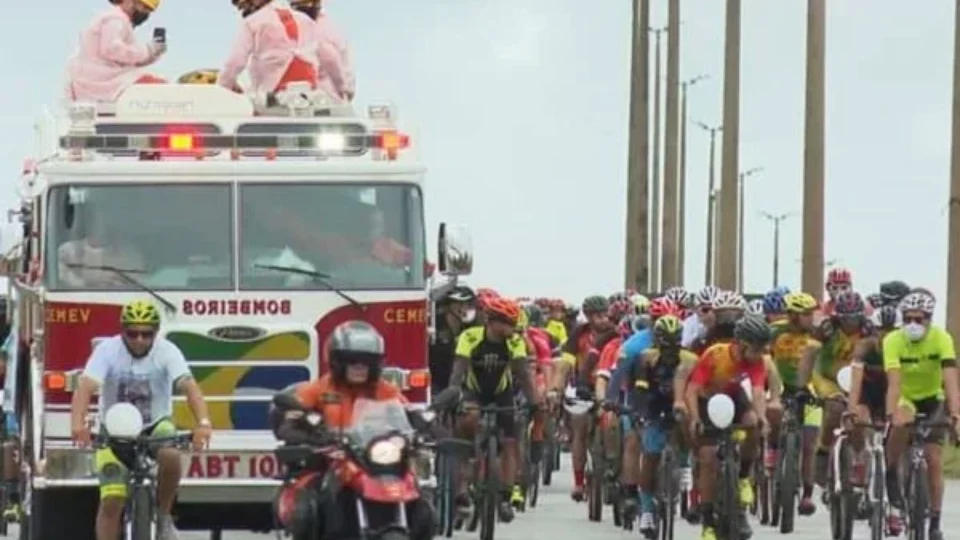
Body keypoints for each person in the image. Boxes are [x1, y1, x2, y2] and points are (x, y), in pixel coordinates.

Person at [273, 320, 434, 540]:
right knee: (307, 507)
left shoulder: (384, 390)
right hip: (330, 459)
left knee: (420, 496)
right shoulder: (320, 389)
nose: (360, 367)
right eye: (353, 361)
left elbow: (405, 412)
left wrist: (423, 423)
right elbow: (290, 418)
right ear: (338, 362)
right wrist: (306, 431)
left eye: (366, 362)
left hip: (373, 457)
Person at [69, 300, 212, 540]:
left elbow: (189, 387)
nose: (139, 340)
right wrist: (77, 424)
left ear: (155, 333)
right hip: (114, 431)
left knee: (171, 456)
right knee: (112, 500)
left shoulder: (167, 351)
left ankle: (164, 515)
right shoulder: (107, 350)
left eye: (146, 334)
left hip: (155, 425)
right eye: (132, 333)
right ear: (122, 331)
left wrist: (204, 423)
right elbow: (85, 387)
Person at [436, 297, 538, 520]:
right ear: (493, 322)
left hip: (502, 394)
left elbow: (523, 374)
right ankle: (462, 487)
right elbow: (458, 372)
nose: (512, 328)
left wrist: (534, 402)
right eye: (508, 323)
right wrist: (453, 395)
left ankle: (505, 495)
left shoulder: (515, 342)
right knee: (468, 422)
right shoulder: (469, 337)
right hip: (475, 392)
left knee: (511, 442)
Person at [685, 314, 772, 540]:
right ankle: (708, 523)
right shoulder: (715, 355)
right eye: (757, 349)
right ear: (742, 344)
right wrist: (694, 418)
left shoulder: (757, 361)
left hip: (734, 399)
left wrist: (762, 416)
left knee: (752, 422)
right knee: (708, 456)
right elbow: (692, 390)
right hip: (707, 401)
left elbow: (758, 391)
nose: (761, 354)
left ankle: (743, 477)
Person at [881, 290, 960, 540]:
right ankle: (892, 472)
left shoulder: (941, 338)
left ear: (929, 319)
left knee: (934, 458)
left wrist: (956, 414)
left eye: (919, 319)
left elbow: (950, 379)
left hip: (932, 397)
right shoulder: (893, 340)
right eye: (908, 319)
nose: (913, 324)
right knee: (901, 424)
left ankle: (934, 520)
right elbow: (894, 382)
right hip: (906, 396)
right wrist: (892, 413)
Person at [632, 315, 697, 538]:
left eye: (675, 343)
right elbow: (640, 389)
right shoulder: (646, 358)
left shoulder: (690, 359)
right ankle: (648, 510)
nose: (670, 350)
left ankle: (685, 465)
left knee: (686, 424)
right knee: (650, 456)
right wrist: (639, 413)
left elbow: (696, 388)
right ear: (657, 342)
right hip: (654, 403)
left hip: (681, 402)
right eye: (665, 344)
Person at [766, 291, 820, 515]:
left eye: (812, 314)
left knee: (809, 445)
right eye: (806, 314)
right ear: (793, 316)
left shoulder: (817, 334)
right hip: (781, 384)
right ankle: (772, 446)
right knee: (774, 413)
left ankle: (807, 494)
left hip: (810, 388)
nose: (811, 318)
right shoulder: (775, 332)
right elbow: (764, 359)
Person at [66, 0, 167, 103]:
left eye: (149, 10)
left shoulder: (118, 20)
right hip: (102, 81)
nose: (145, 14)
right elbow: (112, 49)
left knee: (159, 87)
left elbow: (129, 59)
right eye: (144, 7)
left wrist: (153, 54)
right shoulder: (115, 19)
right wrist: (147, 50)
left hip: (100, 80)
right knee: (160, 91)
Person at [220, 0, 322, 95]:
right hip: (310, 85)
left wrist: (225, 84)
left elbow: (236, 60)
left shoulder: (253, 22)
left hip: (273, 90)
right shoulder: (306, 20)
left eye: (244, 5)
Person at [57, 211, 145, 288]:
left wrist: (118, 282)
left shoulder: (129, 253)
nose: (101, 225)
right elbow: (60, 281)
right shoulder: (68, 252)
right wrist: (89, 284)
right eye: (94, 220)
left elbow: (138, 284)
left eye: (107, 220)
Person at [288, 0, 350, 101]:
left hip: (325, 98)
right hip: (294, 97)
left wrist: (344, 89)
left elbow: (331, 59)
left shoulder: (327, 30)